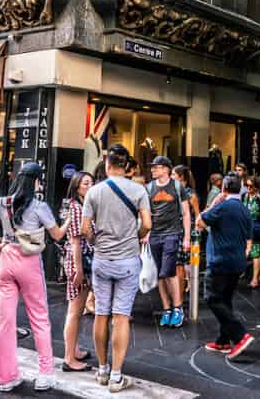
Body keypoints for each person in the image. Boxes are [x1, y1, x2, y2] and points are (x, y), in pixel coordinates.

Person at [0, 162, 68, 393]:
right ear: (36, 181)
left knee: (5, 322)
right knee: (39, 318)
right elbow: (56, 235)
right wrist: (68, 221)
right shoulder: (39, 206)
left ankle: (7, 377)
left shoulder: (2, 203)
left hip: (5, 261)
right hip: (29, 262)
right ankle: (45, 374)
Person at [81, 144, 151, 393]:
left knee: (101, 313)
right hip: (128, 260)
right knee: (121, 316)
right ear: (127, 167)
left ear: (107, 165)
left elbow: (84, 229)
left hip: (102, 259)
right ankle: (116, 376)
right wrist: (136, 235)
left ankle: (101, 370)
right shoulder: (138, 190)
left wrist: (94, 241)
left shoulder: (94, 192)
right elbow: (147, 224)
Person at [198, 173, 254, 359]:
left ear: (224, 188)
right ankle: (223, 340)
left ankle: (240, 336)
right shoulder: (244, 209)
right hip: (237, 262)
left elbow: (200, 222)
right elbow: (248, 238)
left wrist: (214, 202)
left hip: (220, 261)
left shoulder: (222, 207)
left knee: (212, 298)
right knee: (225, 300)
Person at [145, 155, 190, 327]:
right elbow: (147, 213)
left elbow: (186, 213)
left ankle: (177, 308)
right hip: (155, 234)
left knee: (168, 271)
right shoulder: (149, 188)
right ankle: (166, 308)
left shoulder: (177, 187)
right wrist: (146, 232)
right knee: (159, 274)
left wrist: (186, 237)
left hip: (172, 233)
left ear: (165, 169)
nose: (152, 170)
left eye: (156, 167)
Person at [61, 171, 94, 372]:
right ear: (77, 187)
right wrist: (78, 270)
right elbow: (75, 241)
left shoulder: (84, 206)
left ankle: (75, 349)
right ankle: (68, 358)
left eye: (91, 182)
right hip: (77, 261)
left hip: (83, 260)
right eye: (85, 183)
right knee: (74, 311)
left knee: (79, 310)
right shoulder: (75, 208)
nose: (90, 186)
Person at [173, 165, 199, 294]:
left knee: (188, 261)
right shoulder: (174, 192)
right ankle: (183, 285)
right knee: (179, 263)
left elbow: (197, 215)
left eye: (173, 175)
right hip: (176, 229)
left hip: (188, 231)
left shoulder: (191, 195)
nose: (172, 177)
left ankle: (190, 283)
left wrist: (196, 233)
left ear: (181, 177)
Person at [203, 172, 224, 274]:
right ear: (216, 181)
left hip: (212, 221)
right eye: (220, 179)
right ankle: (209, 264)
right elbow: (209, 206)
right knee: (210, 244)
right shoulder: (215, 192)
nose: (222, 181)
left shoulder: (216, 191)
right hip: (212, 222)